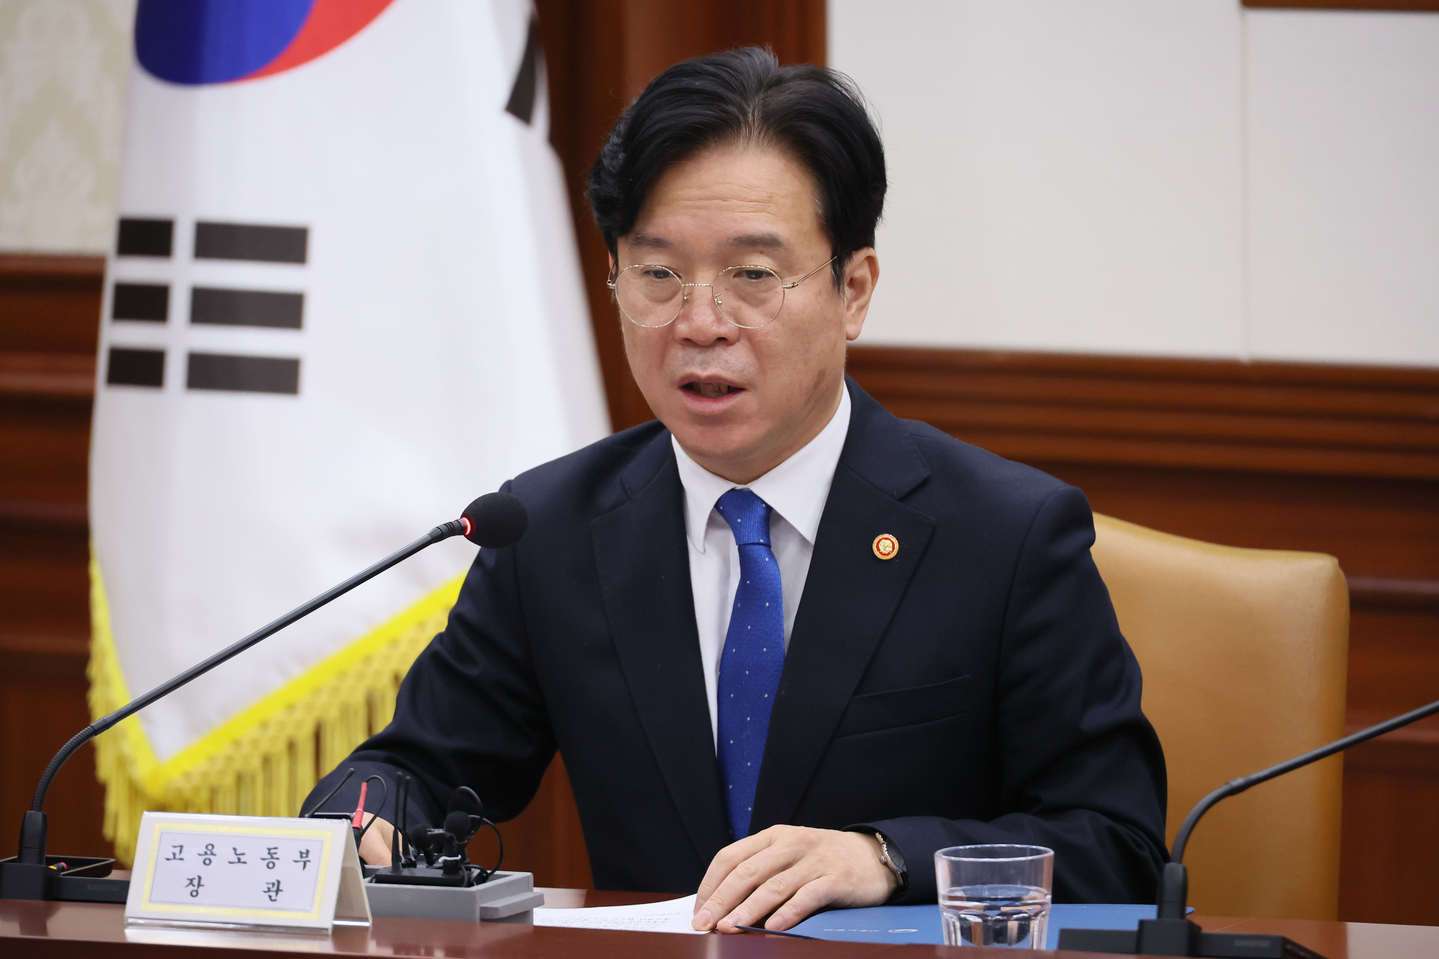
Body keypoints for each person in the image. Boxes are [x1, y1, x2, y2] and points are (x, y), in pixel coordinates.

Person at [306, 47, 1167, 933]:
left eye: (752, 276)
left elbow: (1115, 843)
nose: (700, 323)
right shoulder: (552, 530)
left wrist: (885, 856)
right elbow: (413, 768)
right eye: (657, 273)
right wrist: (358, 815)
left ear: (853, 291)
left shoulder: (1004, 534)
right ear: (613, 278)